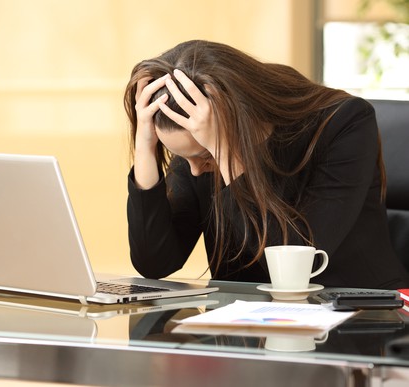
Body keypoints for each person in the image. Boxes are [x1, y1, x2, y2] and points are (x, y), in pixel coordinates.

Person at [124, 40, 409, 289]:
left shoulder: (344, 123)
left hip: (356, 313)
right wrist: (145, 148)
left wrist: (226, 154)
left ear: (237, 119)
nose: (195, 171)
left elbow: (296, 262)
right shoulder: (197, 138)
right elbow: (155, 264)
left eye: (204, 157)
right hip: (245, 319)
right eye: (184, 159)